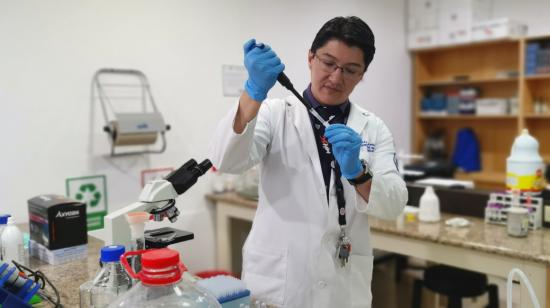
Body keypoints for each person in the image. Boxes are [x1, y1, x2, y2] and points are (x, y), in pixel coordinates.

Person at [209, 16, 407, 308]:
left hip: (343, 286)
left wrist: (359, 173)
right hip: (281, 283)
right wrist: (253, 92)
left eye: (350, 70)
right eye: (328, 63)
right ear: (310, 58)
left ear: (362, 74)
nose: (336, 78)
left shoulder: (373, 128)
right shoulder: (275, 114)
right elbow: (226, 160)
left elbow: (394, 204)